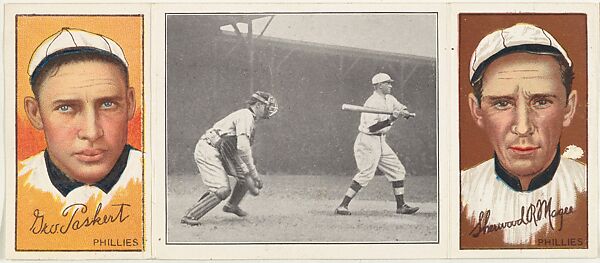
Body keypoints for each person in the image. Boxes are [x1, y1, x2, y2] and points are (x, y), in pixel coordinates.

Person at [461, 23, 587, 248]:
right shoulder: (458, 191)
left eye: (541, 101)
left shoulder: (590, 187)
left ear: (568, 108)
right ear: (476, 111)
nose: (522, 127)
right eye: (501, 103)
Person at [17, 28, 143, 250]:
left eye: (108, 104)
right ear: (35, 113)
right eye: (66, 107)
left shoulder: (154, 176)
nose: (92, 132)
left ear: (130, 103)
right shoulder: (13, 184)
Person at [181, 91, 278, 226]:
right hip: (208, 149)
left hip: (223, 150)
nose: (269, 109)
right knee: (222, 189)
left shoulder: (249, 118)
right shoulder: (246, 116)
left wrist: (251, 175)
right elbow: (243, 148)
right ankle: (190, 215)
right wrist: (255, 174)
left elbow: (233, 147)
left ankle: (232, 205)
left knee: (244, 176)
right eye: (266, 105)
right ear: (258, 105)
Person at [334, 73, 419, 216]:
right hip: (367, 140)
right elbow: (372, 128)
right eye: (388, 83)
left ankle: (401, 206)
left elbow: (400, 107)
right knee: (366, 173)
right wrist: (391, 119)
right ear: (380, 85)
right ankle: (342, 206)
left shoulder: (390, 98)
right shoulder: (371, 103)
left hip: (381, 141)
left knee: (398, 170)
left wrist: (405, 113)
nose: (391, 85)